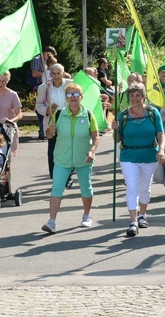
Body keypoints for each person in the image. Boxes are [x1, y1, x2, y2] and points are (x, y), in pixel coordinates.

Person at [42, 83, 100, 233]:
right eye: (69, 95)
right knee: (57, 188)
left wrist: (92, 151)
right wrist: (50, 130)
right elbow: (49, 135)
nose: (73, 97)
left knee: (86, 189)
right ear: (66, 98)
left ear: (81, 97)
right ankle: (51, 221)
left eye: (76, 94)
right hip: (62, 157)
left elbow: (95, 137)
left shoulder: (88, 115)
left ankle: (86, 215)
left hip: (83, 158)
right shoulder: (59, 114)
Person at [111, 82, 165, 237]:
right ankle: (133, 221)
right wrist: (114, 128)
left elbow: (161, 134)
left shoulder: (152, 113)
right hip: (128, 155)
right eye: (132, 96)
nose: (134, 99)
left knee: (144, 186)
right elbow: (118, 139)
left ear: (143, 96)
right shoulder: (123, 115)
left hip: (149, 155)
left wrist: (161, 150)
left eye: (137, 95)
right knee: (132, 186)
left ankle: (143, 215)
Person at [35, 63, 72, 179]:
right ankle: (54, 177)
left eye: (58, 73)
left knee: (69, 150)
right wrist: (46, 111)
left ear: (63, 73)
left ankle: (68, 176)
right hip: (52, 119)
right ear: (50, 74)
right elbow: (38, 105)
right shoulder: (44, 87)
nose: (56, 76)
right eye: (53, 74)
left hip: (69, 117)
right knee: (53, 150)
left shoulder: (71, 84)